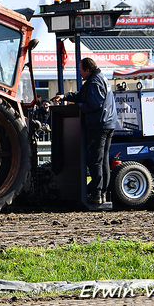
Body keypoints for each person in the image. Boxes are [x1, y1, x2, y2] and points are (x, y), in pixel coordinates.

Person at [52, 57, 116, 205]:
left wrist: (79, 109)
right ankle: (103, 193)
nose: (80, 73)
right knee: (103, 160)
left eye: (81, 70)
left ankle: (97, 194)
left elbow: (94, 103)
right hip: (108, 123)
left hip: (98, 125)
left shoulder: (93, 82)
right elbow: (84, 96)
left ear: (88, 70)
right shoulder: (100, 78)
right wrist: (66, 96)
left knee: (96, 161)